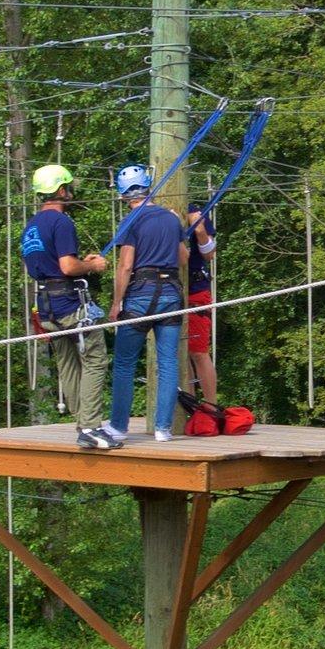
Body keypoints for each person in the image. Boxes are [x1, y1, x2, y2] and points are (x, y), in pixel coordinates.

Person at [20, 164, 113, 449]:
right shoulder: (62, 223)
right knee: (95, 360)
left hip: (46, 305)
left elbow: (45, 264)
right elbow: (67, 266)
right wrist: (92, 265)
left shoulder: (31, 226)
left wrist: (78, 264)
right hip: (69, 303)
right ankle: (90, 426)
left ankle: (83, 421)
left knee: (68, 362)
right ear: (62, 191)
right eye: (68, 187)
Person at [106, 164, 189, 443]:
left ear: (123, 195)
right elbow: (184, 258)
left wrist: (117, 303)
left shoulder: (131, 221)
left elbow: (126, 266)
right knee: (167, 363)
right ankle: (163, 429)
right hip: (171, 293)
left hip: (141, 293)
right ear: (149, 185)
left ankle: (118, 427)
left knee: (125, 362)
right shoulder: (170, 219)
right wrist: (175, 226)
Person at [182, 203, 218, 400]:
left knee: (198, 351)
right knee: (178, 354)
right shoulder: (153, 212)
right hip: (167, 290)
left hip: (195, 290)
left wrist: (200, 230)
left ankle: (211, 406)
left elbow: (209, 254)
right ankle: (187, 404)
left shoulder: (195, 211)